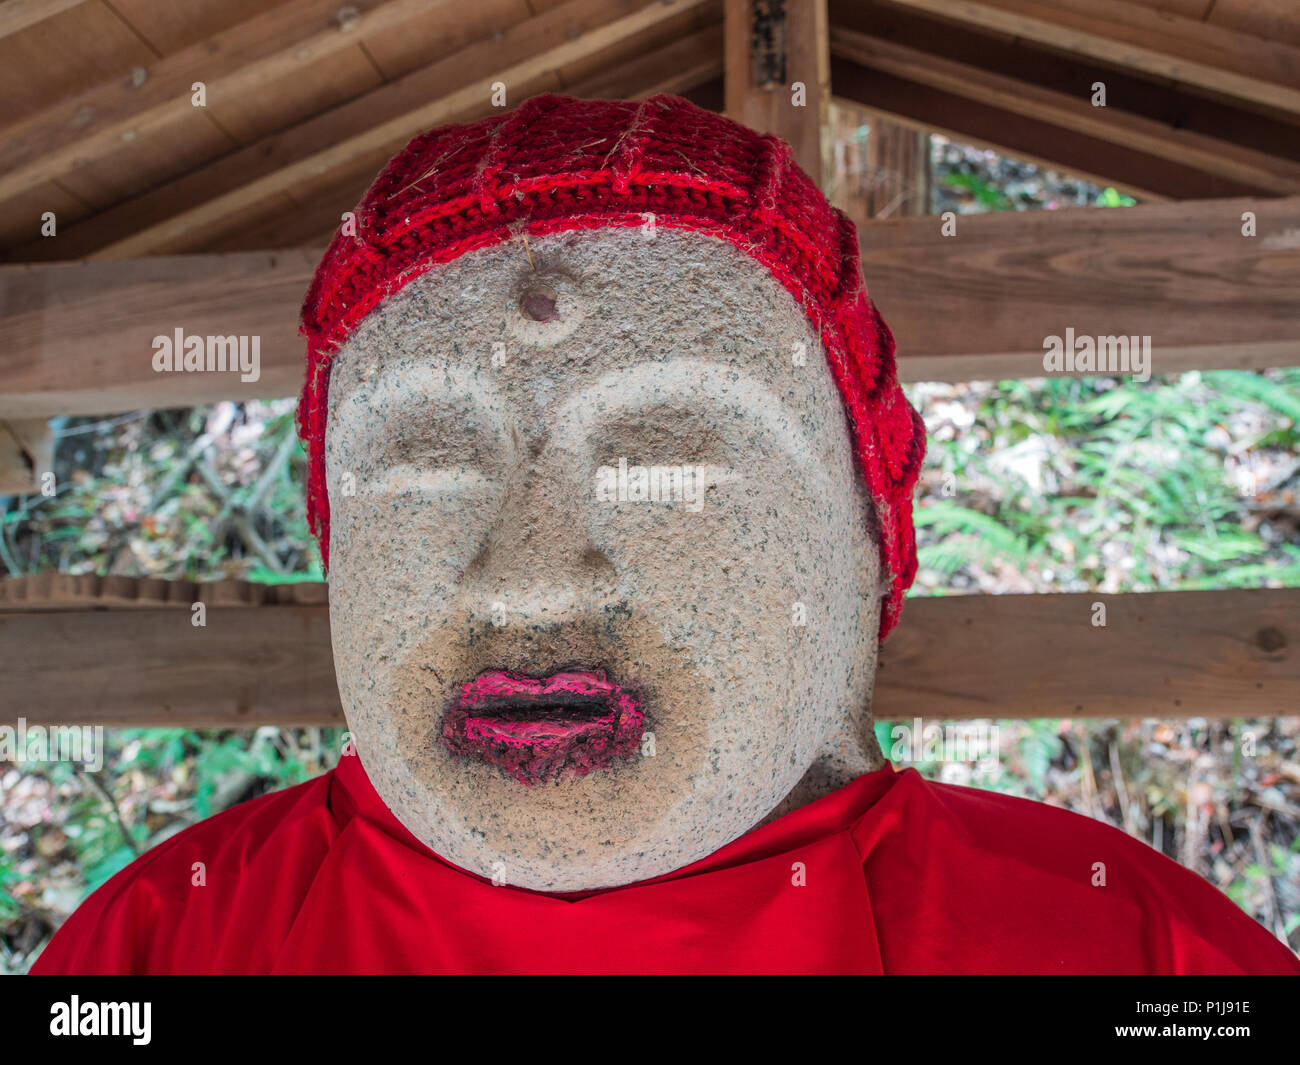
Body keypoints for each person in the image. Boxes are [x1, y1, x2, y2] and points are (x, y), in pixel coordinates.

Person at [33, 94, 1299, 974]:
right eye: (417, 471)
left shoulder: (1123, 956)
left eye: (665, 463)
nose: (525, 580)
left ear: (861, 560)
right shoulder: (161, 953)